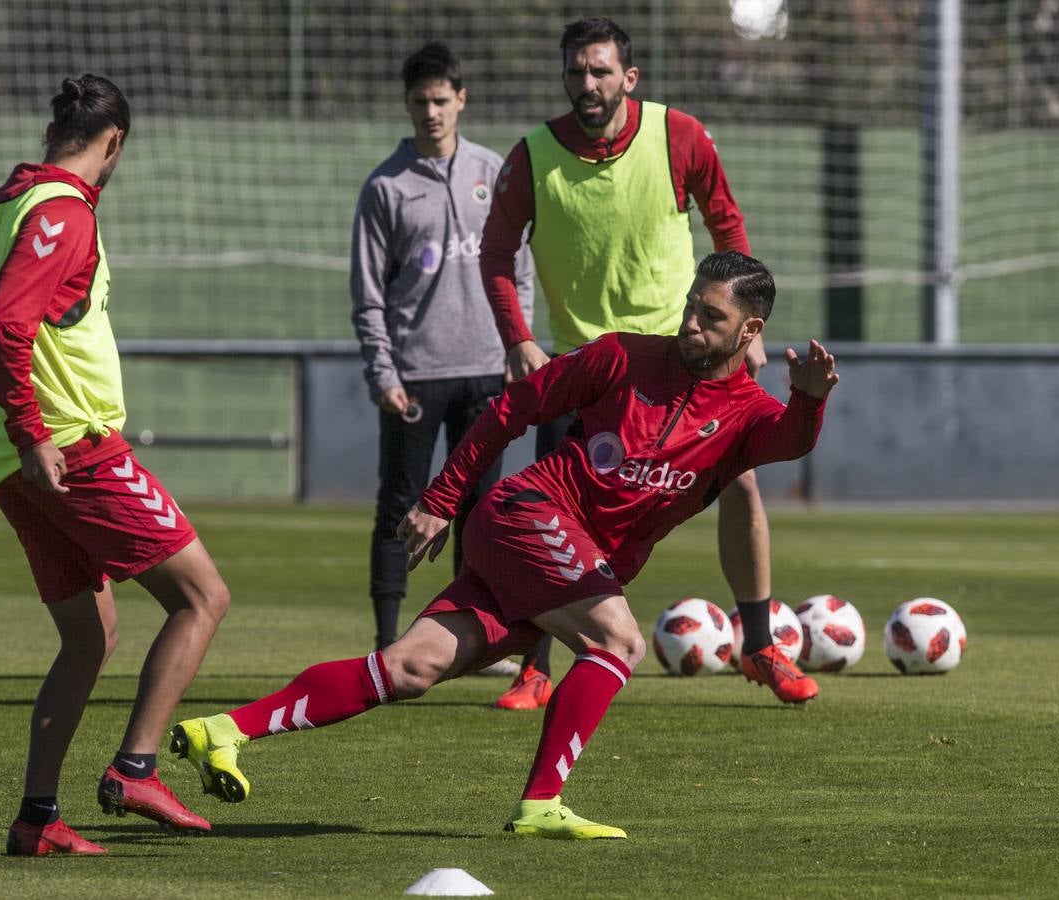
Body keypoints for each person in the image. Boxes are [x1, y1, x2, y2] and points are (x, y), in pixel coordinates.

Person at [171, 252, 838, 839]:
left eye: (711, 317)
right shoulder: (620, 356)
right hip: (526, 515)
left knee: (409, 669)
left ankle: (223, 732)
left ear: (750, 331)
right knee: (619, 642)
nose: (691, 322)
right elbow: (509, 410)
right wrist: (440, 497)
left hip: (549, 557)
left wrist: (807, 401)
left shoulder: (748, 415)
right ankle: (541, 804)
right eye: (691, 306)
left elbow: (791, 441)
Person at [0, 74, 229, 856]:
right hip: (69, 449)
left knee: (89, 637)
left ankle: (36, 820)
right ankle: (134, 768)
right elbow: (4, 319)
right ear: (114, 142)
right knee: (202, 597)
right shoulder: (62, 210)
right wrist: (30, 432)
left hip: (10, 465)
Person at [478, 17, 788, 710]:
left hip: (684, 354)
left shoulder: (678, 135)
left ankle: (760, 642)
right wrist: (517, 337)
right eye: (574, 73)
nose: (585, 85)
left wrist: (743, 331)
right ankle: (535, 666)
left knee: (738, 486)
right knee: (557, 514)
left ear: (628, 77)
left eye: (598, 71)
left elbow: (725, 223)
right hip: (582, 363)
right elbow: (495, 254)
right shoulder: (531, 155)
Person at [351, 41, 534, 659]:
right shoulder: (385, 186)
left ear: (461, 100)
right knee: (400, 507)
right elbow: (368, 292)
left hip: (488, 369)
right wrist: (383, 369)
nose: (431, 112)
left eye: (440, 100)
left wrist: (519, 343)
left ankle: (470, 639)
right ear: (407, 106)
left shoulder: (492, 171)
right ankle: (385, 640)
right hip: (416, 374)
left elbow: (520, 266)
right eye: (419, 102)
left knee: (482, 513)